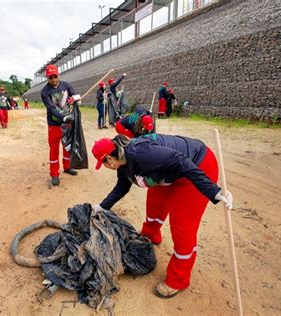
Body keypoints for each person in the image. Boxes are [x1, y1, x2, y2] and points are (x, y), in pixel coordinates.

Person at [91, 134, 233, 298]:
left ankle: (178, 279)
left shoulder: (141, 154)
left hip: (196, 166)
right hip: (166, 170)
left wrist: (213, 191)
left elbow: (181, 161)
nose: (105, 167)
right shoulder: (122, 161)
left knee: (182, 225)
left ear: (109, 159)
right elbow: (122, 187)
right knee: (154, 204)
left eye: (103, 164)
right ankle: (150, 235)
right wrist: (101, 207)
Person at [40, 64, 79, 186]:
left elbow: (74, 95)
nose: (53, 79)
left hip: (67, 124)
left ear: (58, 75)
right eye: (50, 77)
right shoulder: (45, 92)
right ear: (47, 78)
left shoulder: (66, 85)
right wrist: (63, 117)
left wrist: (76, 98)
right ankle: (54, 174)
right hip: (54, 124)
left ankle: (67, 167)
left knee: (67, 147)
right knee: (54, 149)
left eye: (55, 76)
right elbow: (51, 109)